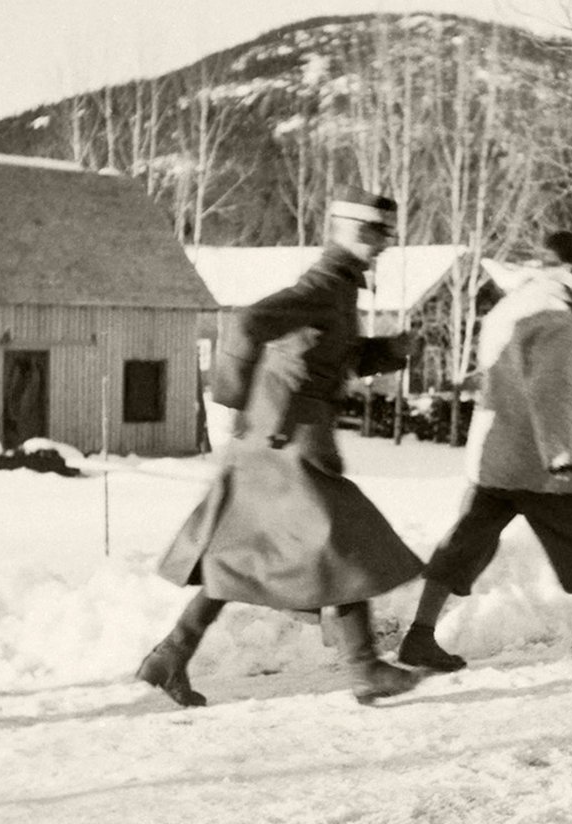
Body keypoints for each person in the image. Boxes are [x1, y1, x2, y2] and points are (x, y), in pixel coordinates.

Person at [136, 187, 423, 706]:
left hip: (281, 435)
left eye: (386, 234)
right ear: (349, 230)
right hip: (286, 440)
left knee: (246, 554)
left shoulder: (339, 288)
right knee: (341, 541)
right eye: (374, 233)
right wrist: (233, 398)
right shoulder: (326, 284)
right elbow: (247, 322)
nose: (383, 243)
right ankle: (364, 668)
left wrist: (387, 351)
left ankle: (171, 655)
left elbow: (329, 354)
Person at [396, 230, 572, 673]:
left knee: (463, 545)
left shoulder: (511, 305)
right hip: (540, 463)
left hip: (495, 456)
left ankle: (419, 635)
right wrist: (559, 453)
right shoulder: (558, 318)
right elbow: (551, 391)